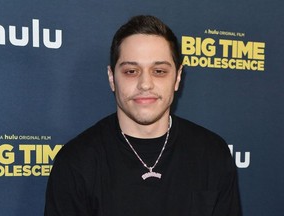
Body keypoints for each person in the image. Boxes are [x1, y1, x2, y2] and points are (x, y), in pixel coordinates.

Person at [44, 15, 241, 216]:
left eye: (159, 71)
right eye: (131, 71)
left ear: (178, 77)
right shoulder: (76, 162)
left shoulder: (212, 153)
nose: (145, 84)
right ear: (112, 78)